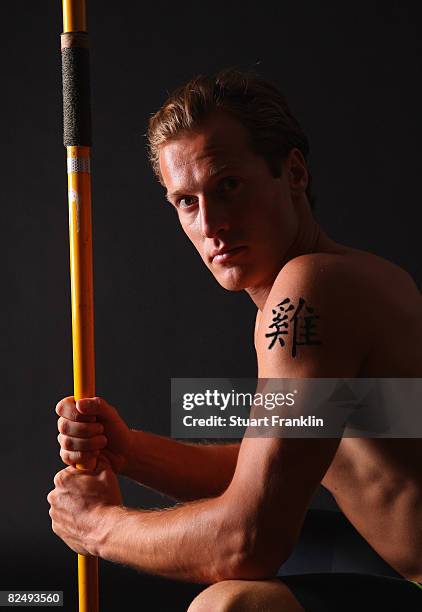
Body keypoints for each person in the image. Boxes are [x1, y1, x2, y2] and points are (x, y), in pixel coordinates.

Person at [47, 70, 422, 611]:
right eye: (187, 202)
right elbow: (270, 466)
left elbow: (247, 540)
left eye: (227, 186)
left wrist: (99, 528)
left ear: (292, 172)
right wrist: (131, 452)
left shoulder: (313, 292)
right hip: (392, 561)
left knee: (230, 606)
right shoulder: (297, 299)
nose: (212, 223)